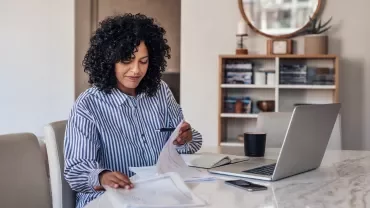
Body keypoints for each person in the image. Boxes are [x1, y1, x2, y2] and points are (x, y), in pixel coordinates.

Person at [64, 13, 202, 208]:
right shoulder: (88, 104)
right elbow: (76, 171)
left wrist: (185, 138)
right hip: (107, 200)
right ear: (109, 60)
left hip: (157, 195)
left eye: (143, 61)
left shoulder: (161, 91)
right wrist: (102, 176)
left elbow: (184, 145)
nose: (136, 70)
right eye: (127, 61)